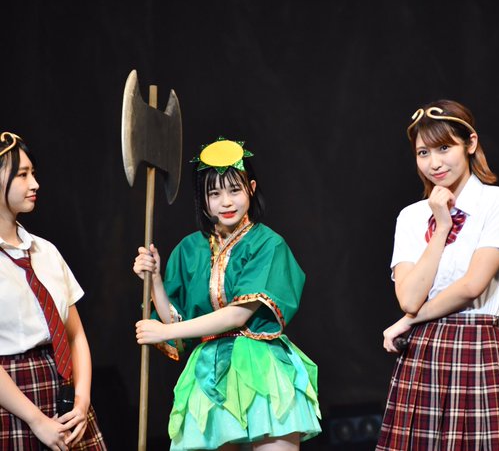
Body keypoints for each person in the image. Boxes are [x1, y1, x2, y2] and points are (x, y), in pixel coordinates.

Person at [377, 101, 499, 450]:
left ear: (470, 143)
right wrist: (441, 227)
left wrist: (408, 322)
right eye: (423, 152)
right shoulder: (411, 217)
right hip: (425, 354)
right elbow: (408, 298)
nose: (434, 162)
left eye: (444, 148)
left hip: (478, 345)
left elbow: (472, 285)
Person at [132, 137, 321, 450]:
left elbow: (237, 315)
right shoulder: (189, 249)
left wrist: (166, 331)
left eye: (234, 190)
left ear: (251, 188)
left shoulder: (267, 244)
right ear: (203, 200)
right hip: (208, 370)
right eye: (215, 193)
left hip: (260, 368)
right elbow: (176, 324)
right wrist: (155, 282)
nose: (226, 202)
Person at [0, 132, 107, 450]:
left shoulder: (45, 251)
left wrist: (82, 401)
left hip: (64, 393)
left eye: (32, 173)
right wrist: (35, 419)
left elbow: (75, 335)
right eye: (22, 175)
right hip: (13, 401)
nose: (34, 184)